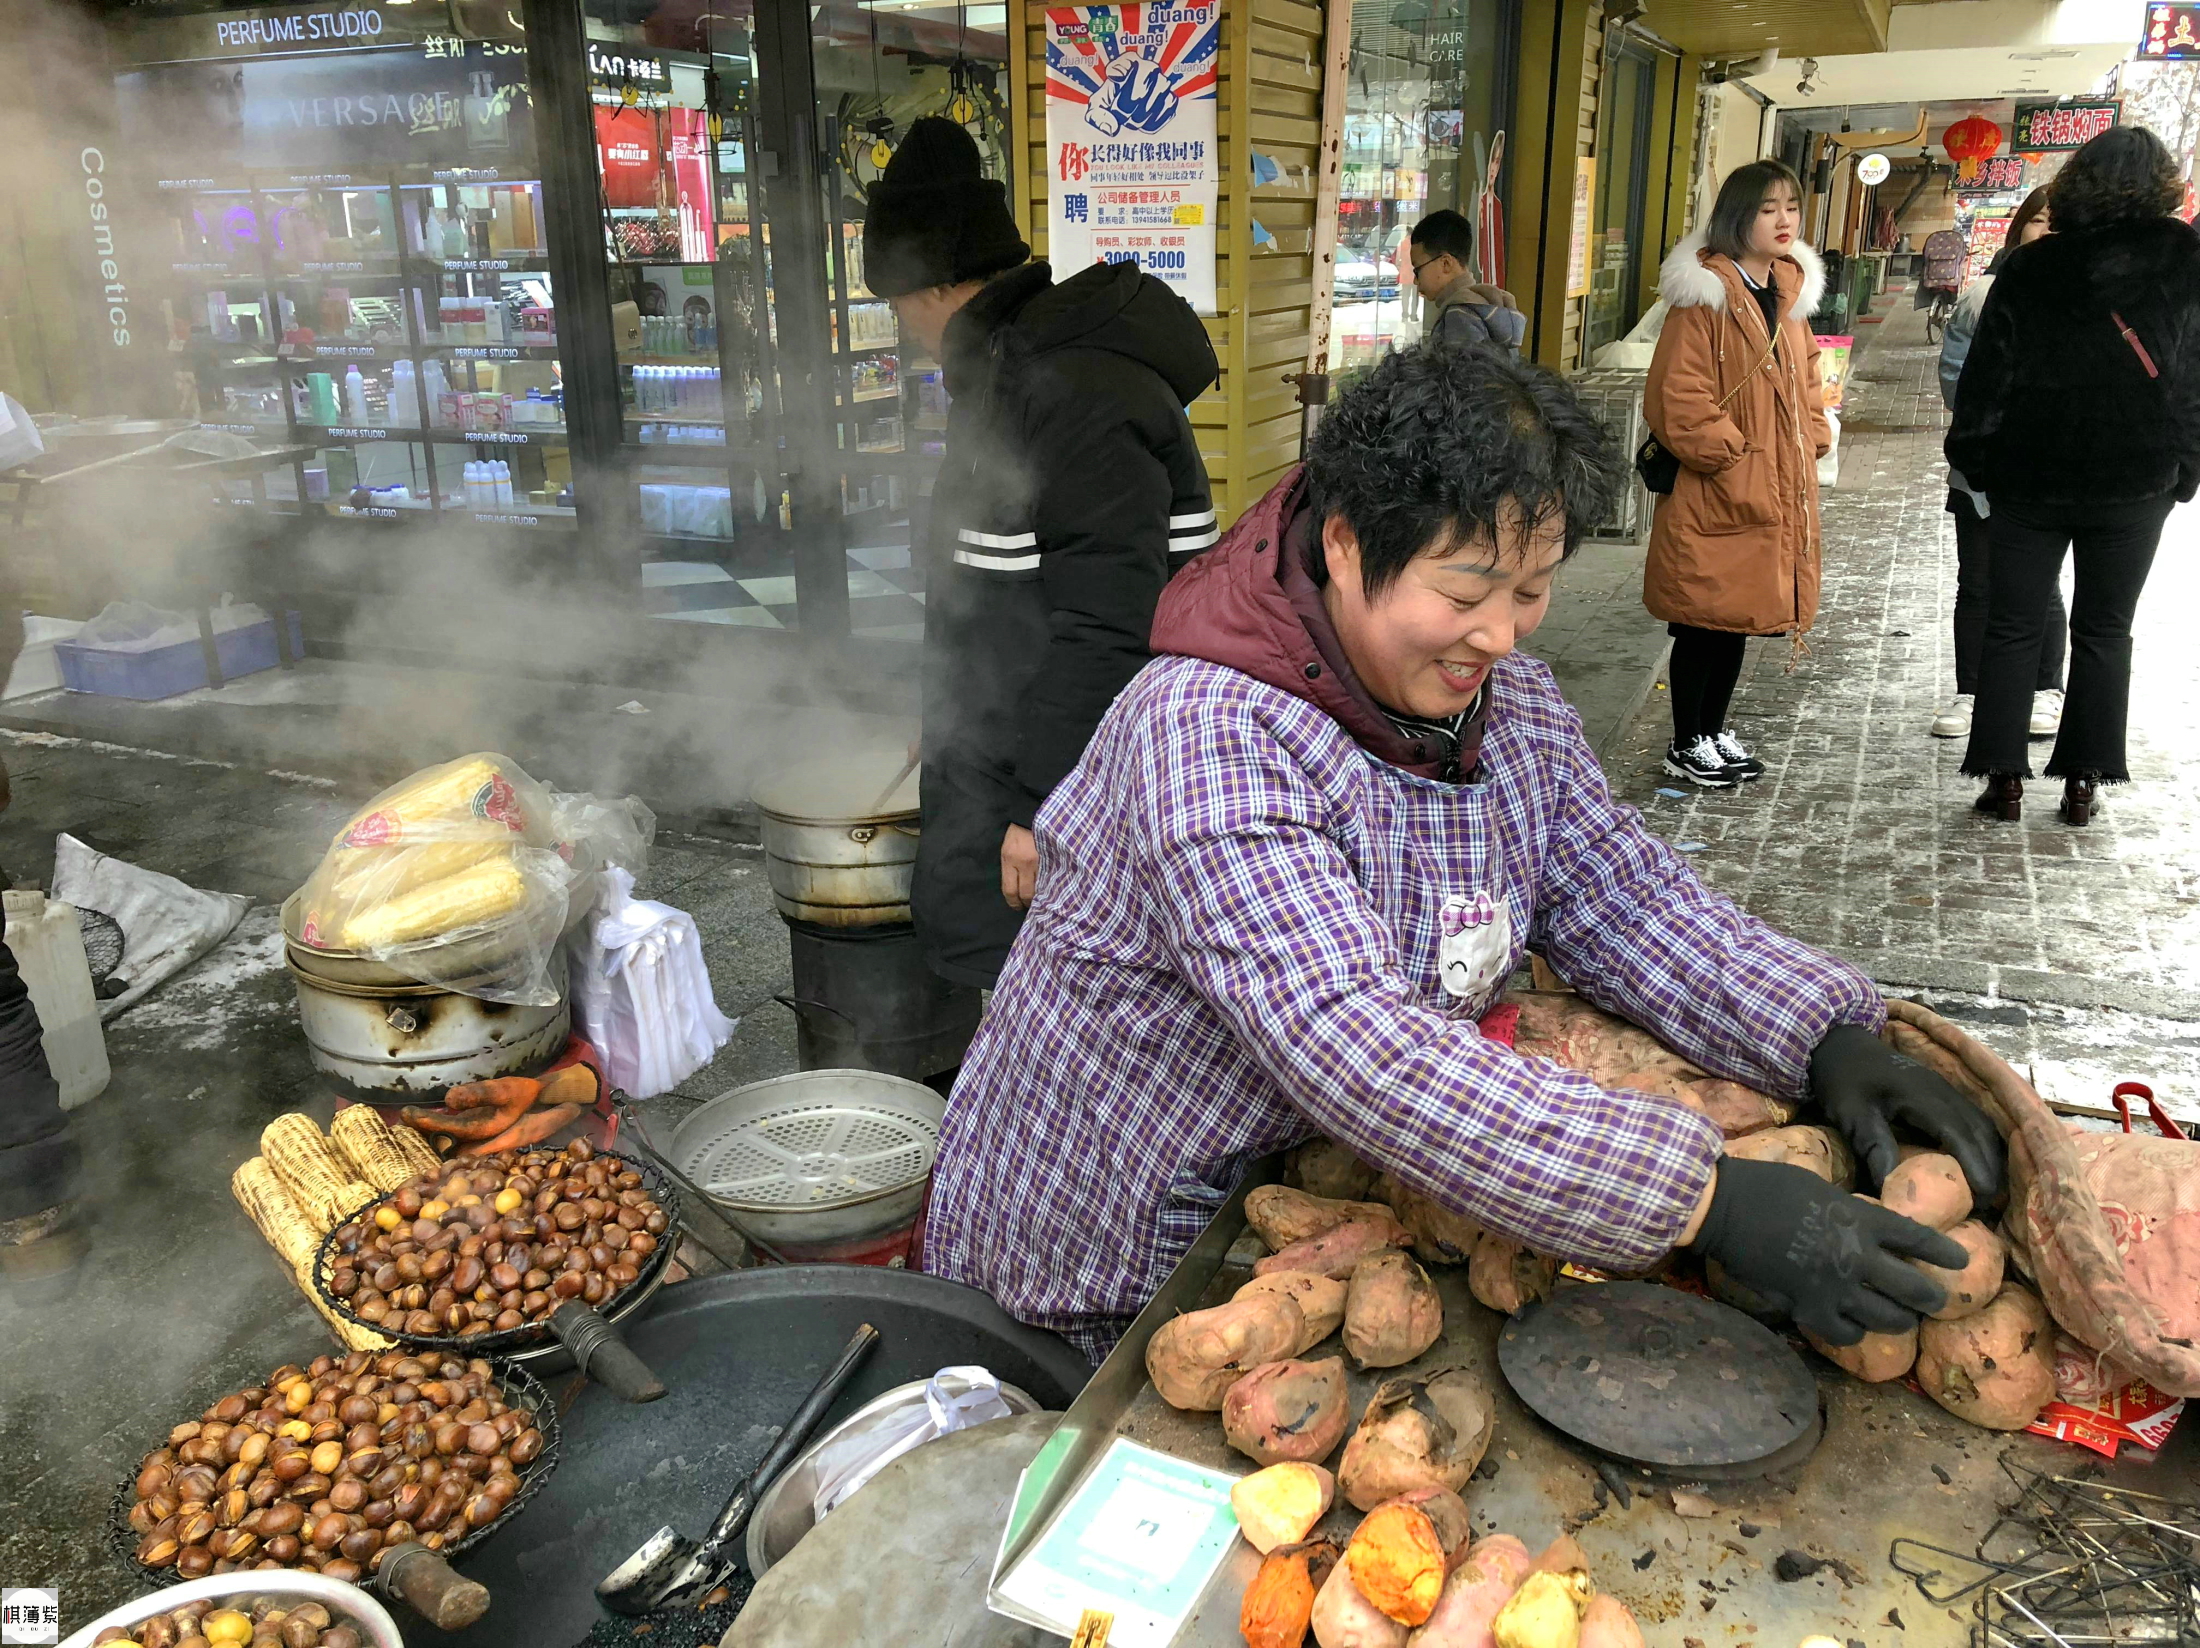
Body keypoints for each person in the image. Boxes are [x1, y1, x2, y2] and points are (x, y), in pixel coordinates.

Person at [920, 346, 2000, 1363]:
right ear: (1344, 543)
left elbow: (1618, 896)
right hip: (1112, 1256)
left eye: (1531, 589)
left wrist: (1823, 1034)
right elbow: (1352, 1039)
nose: (1501, 634)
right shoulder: (1208, 729)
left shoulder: (1504, 702)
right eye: (1466, 591)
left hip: (1296, 1209)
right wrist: (1702, 1199)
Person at [862, 118, 1220, 989]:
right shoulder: (1011, 373)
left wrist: (1041, 809)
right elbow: (997, 582)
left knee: (1034, 984)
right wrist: (941, 708)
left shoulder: (1078, 389)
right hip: (1001, 740)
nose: (905, 329)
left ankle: (1010, 1120)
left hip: (1063, 770)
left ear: (932, 289)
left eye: (899, 307)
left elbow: (1110, 623)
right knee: (979, 958)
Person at [1947, 126, 2200, 825]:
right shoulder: (2184, 258)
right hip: (2136, 478)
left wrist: (1974, 457)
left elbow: (1987, 378)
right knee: (2105, 629)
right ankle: (2084, 780)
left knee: (2013, 624)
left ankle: (2002, 778)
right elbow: (2192, 374)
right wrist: (2185, 465)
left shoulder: (2032, 267)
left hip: (2033, 476)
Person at [1643, 160, 1831, 789]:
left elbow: (1808, 382)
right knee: (1704, 618)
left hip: (1773, 486)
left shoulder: (1787, 293)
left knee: (1741, 615)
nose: (1784, 221)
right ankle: (1686, 738)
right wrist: (1735, 457)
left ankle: (1713, 728)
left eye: (1791, 207)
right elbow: (1678, 397)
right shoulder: (1706, 297)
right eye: (1768, 208)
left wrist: (1815, 436)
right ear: (1737, 217)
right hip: (1716, 490)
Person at [1933, 187, 2064, 742]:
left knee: (2044, 586)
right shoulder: (1984, 294)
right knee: (1978, 582)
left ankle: (2044, 690)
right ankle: (1971, 692)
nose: (2047, 233)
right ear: (2019, 228)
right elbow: (1956, 379)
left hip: (2051, 473)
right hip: (1983, 467)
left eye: (2060, 223)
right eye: (2038, 221)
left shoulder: (2085, 298)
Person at [1408, 209, 1525, 354]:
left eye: (1417, 270)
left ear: (1446, 263)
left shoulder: (1459, 316)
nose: (1415, 280)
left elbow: (1461, 376)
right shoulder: (1487, 306)